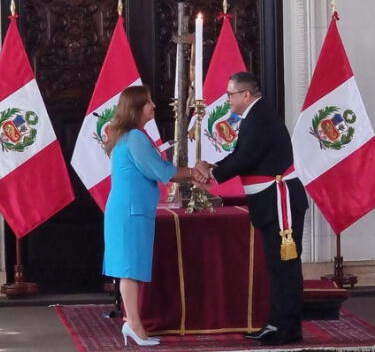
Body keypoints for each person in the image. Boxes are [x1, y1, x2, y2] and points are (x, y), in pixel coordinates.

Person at [196, 72, 308, 346]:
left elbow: (246, 157)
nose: (227, 99)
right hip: (270, 201)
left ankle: (287, 328)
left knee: (284, 266)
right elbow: (243, 153)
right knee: (275, 265)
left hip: (280, 201)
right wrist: (213, 167)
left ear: (246, 95)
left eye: (230, 94)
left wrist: (212, 174)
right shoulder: (256, 116)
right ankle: (276, 322)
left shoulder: (260, 117)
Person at [102, 85, 207, 347]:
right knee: (129, 269)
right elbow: (160, 171)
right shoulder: (135, 137)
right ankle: (134, 324)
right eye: (148, 101)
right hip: (130, 211)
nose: (153, 105)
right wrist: (193, 173)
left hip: (132, 210)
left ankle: (134, 323)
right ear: (137, 107)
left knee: (131, 268)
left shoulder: (131, 136)